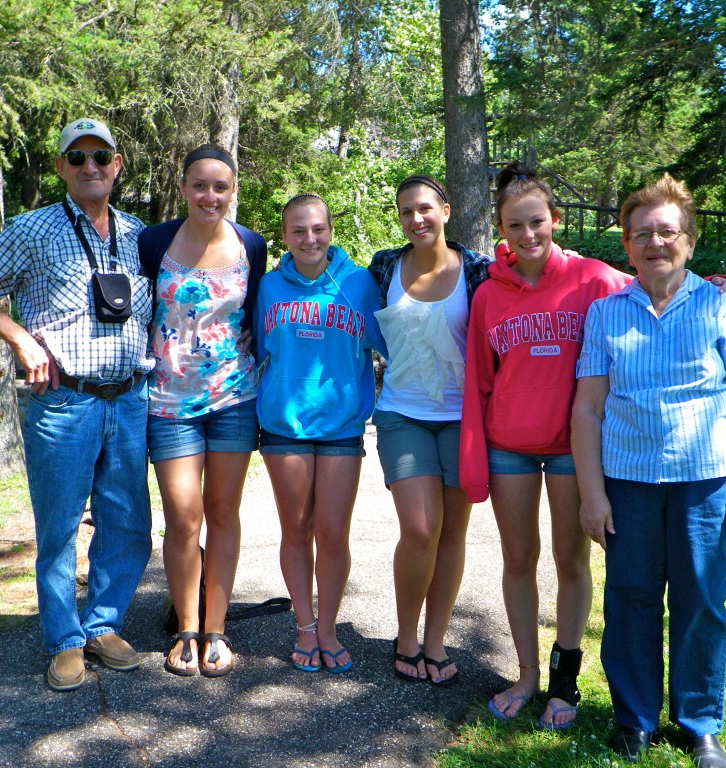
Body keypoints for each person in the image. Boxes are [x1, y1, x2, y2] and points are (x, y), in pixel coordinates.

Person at [0, 118, 153, 692]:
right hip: (64, 403)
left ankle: (103, 626)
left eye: (101, 156)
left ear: (117, 165)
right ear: (60, 167)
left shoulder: (139, 235)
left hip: (131, 399)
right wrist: (20, 338)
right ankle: (64, 639)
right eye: (77, 158)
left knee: (129, 522)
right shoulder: (32, 229)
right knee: (58, 527)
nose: (90, 167)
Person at [571, 174, 726, 767]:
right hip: (626, 482)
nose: (655, 242)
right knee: (630, 598)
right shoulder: (605, 315)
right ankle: (633, 719)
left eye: (667, 231)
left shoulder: (721, 311)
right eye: (642, 234)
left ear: (688, 239)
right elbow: (587, 406)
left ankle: (700, 721)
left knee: (701, 601)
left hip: (703, 482)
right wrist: (591, 496)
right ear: (627, 245)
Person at [459, 163, 631, 726]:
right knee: (518, 558)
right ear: (501, 232)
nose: (527, 234)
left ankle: (565, 681)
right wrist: (475, 454)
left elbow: (662, 285)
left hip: (570, 448)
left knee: (571, 558)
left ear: (555, 219)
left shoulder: (596, 280)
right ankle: (527, 672)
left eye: (537, 222)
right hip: (508, 445)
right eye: (515, 225)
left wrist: (721, 288)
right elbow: (480, 382)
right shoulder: (488, 296)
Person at [137, 145, 267, 677]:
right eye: (199, 185)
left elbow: (256, 315)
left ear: (233, 190)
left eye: (220, 186)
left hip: (234, 399)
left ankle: (216, 629)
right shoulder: (153, 241)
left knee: (223, 512)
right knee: (183, 517)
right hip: (169, 402)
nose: (209, 196)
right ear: (184, 186)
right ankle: (185, 629)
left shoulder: (251, 245)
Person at [254, 193, 387, 673]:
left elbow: (389, 344)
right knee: (296, 526)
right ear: (284, 236)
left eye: (318, 229)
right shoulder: (269, 287)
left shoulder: (359, 284)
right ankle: (305, 627)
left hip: (341, 425)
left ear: (330, 230)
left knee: (332, 532)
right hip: (284, 424)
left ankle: (328, 628)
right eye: (298, 231)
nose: (309, 239)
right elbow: (256, 347)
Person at [368, 174, 492, 686]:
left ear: (445, 210)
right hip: (402, 413)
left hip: (463, 419)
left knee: (452, 533)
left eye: (424, 209)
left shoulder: (479, 270)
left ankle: (435, 640)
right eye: (405, 212)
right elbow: (331, 283)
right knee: (420, 529)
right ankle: (406, 636)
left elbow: (544, 272)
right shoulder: (384, 267)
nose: (416, 219)